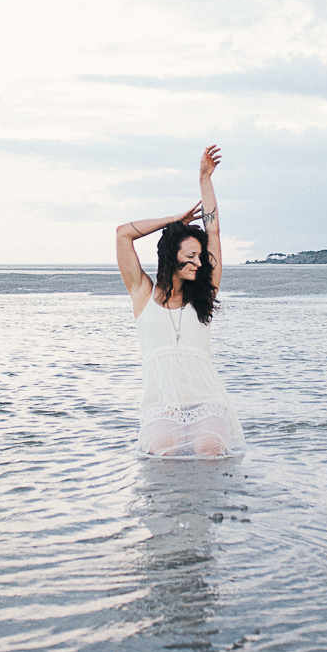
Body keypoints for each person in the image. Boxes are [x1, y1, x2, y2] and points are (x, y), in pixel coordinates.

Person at [115, 144, 245, 458]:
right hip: (161, 407)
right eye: (190, 256)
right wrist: (174, 220)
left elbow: (213, 229)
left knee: (210, 451)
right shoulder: (143, 294)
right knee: (163, 454)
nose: (199, 263)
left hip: (206, 404)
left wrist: (205, 179)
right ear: (172, 256)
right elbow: (122, 235)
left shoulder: (204, 294)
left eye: (200, 257)